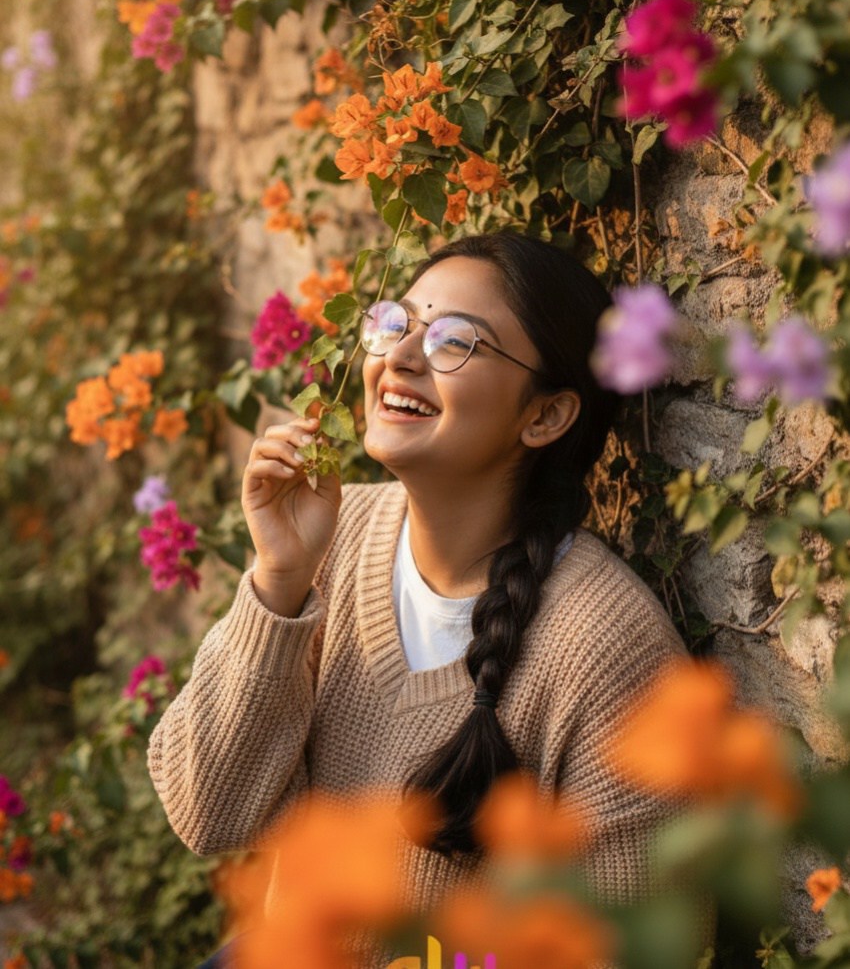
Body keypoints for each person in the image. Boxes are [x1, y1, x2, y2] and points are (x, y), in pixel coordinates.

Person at [148, 230, 702, 967]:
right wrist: (277, 584)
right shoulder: (335, 542)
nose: (400, 357)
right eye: (397, 323)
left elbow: (641, 948)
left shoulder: (607, 649)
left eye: (455, 342)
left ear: (545, 416)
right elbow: (208, 814)